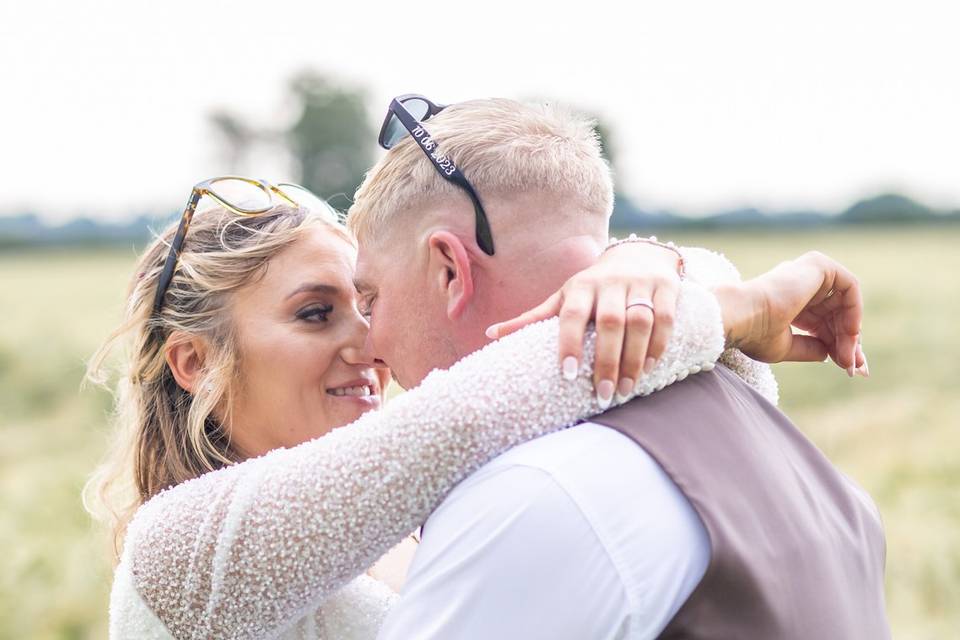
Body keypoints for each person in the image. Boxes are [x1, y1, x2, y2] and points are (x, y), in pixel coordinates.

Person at [88, 175, 852, 638]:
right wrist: (734, 305)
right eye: (316, 314)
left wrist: (648, 260)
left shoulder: (414, 500)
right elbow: (477, 405)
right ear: (195, 362)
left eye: (366, 302)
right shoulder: (178, 551)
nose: (369, 341)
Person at [347, 96, 890, 638]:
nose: (368, 345)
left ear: (450, 272)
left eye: (370, 300)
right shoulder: (762, 426)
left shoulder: (535, 492)